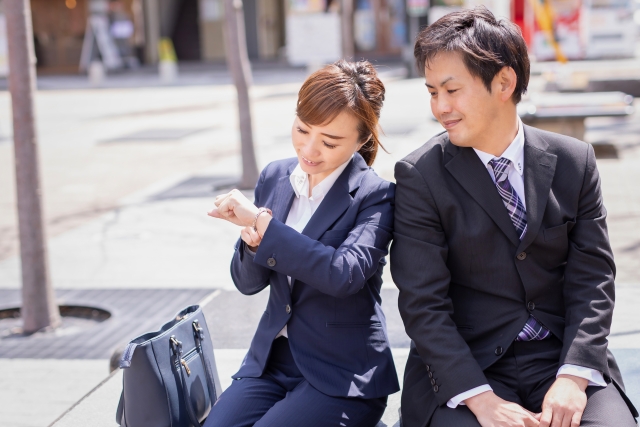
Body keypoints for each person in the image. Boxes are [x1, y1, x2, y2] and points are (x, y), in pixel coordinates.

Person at [390, 7, 638, 427]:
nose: (440, 107)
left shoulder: (573, 161)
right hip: (469, 368)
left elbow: (593, 278)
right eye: (432, 92)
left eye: (452, 90)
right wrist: (481, 399)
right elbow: (423, 304)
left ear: (504, 82)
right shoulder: (420, 175)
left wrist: (575, 376)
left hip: (560, 358)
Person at [205, 60, 399, 427]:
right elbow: (247, 284)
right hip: (271, 362)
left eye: (329, 141)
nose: (309, 149)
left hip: (343, 374)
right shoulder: (276, 177)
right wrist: (252, 245)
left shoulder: (376, 196)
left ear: (362, 140)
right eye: (302, 129)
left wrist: (263, 223)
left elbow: (343, 274)